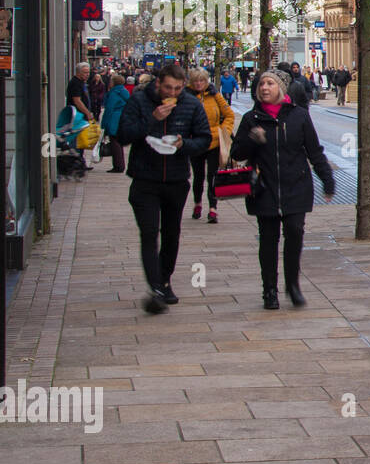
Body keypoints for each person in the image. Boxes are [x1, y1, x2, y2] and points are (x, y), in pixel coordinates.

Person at [231, 70, 335, 309]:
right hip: (264, 187)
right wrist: (251, 140)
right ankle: (269, 290)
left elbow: (314, 151)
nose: (264, 88)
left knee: (295, 232)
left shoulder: (299, 116)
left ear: (281, 88)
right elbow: (237, 153)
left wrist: (327, 180)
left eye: (270, 83)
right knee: (268, 239)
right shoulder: (251, 119)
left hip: (296, 184)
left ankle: (293, 285)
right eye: (261, 84)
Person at [115, 63, 212, 314]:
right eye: (168, 87)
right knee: (149, 233)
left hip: (176, 180)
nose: (172, 92)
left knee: (171, 234)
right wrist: (152, 119)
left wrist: (183, 145)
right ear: (158, 83)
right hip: (145, 179)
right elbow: (123, 134)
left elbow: (204, 139)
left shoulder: (190, 104)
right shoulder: (139, 101)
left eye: (178, 88)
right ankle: (156, 287)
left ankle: (165, 280)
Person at [187, 68, 235, 223]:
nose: (199, 84)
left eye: (201, 80)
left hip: (214, 141)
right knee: (198, 176)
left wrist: (224, 130)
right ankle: (197, 203)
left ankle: (213, 208)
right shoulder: (186, 97)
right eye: (195, 81)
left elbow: (229, 114)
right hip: (195, 142)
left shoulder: (215, 96)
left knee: (213, 176)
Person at [101, 74, 130, 173]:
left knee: (114, 143)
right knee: (118, 143)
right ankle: (120, 165)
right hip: (122, 119)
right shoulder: (124, 91)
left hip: (114, 119)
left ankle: (118, 166)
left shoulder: (114, 93)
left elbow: (109, 109)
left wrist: (103, 124)